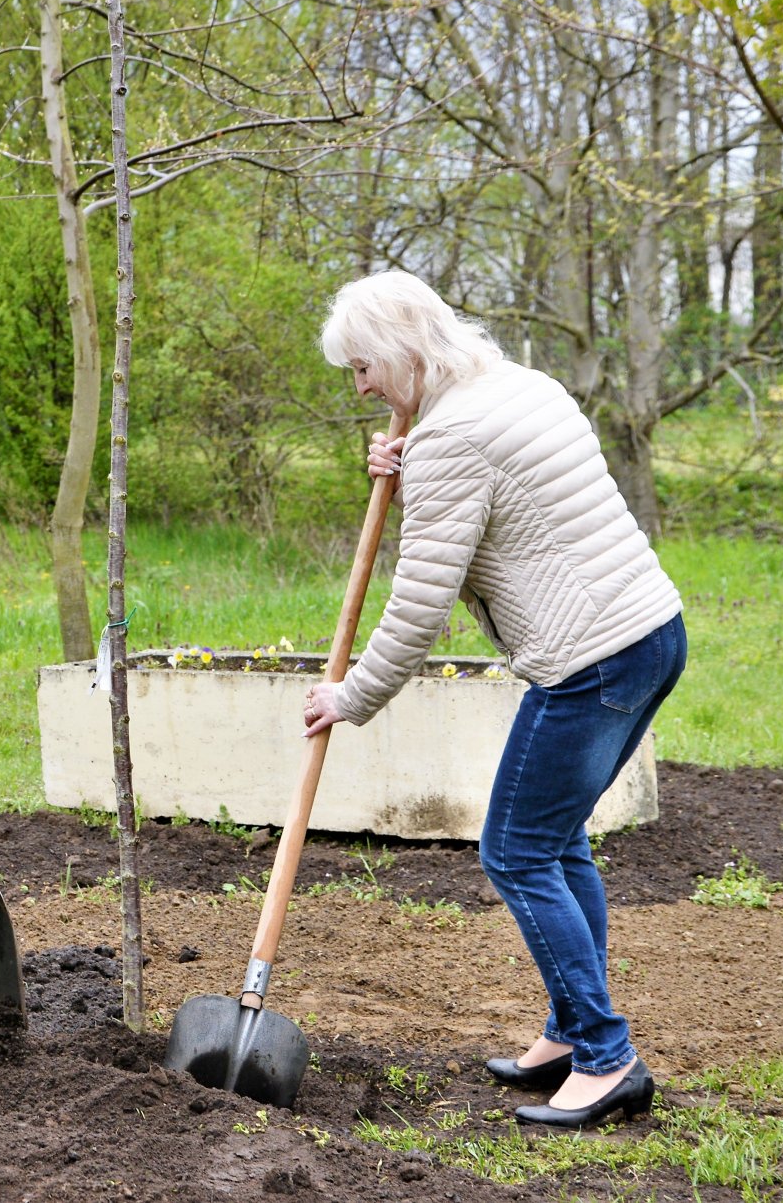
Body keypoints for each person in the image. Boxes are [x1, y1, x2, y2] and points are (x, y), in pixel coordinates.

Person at [299, 270, 684, 1130]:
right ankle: (568, 1029)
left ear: (401, 351)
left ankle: (607, 1056)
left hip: (591, 662)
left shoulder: (450, 443)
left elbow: (419, 605)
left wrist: (350, 696)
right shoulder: (518, 386)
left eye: (362, 367)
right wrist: (414, 464)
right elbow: (504, 491)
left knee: (514, 852)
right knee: (556, 843)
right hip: (652, 632)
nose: (358, 387)